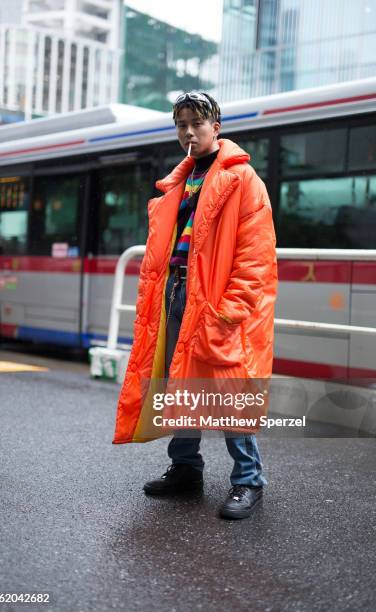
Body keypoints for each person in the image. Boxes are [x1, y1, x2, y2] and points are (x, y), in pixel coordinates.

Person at [113, 91, 278, 520]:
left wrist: (230, 309)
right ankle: (186, 468)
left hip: (216, 301)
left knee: (228, 385)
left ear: (216, 128)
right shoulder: (178, 182)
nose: (188, 132)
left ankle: (248, 479)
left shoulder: (242, 180)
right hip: (177, 295)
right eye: (181, 124)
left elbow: (256, 255)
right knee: (176, 381)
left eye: (196, 124)